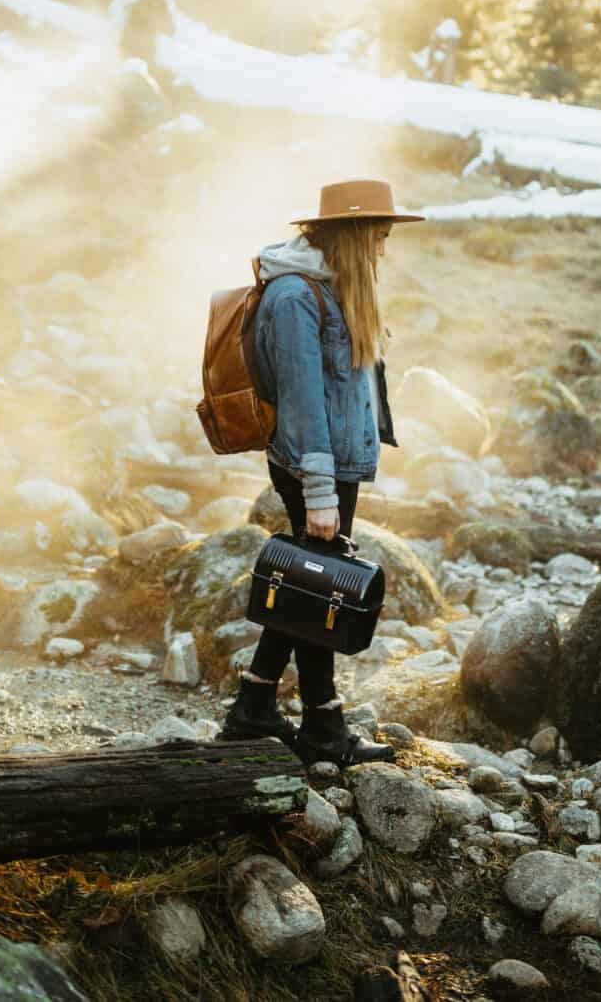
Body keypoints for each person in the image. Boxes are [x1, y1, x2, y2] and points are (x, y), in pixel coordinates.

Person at [217, 179, 424, 766]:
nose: (382, 249)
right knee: (317, 589)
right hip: (315, 466)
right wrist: (319, 494)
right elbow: (305, 403)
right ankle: (321, 729)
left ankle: (256, 709)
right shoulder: (294, 298)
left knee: (310, 587)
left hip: (336, 465)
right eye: (378, 237)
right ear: (351, 235)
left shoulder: (335, 289)